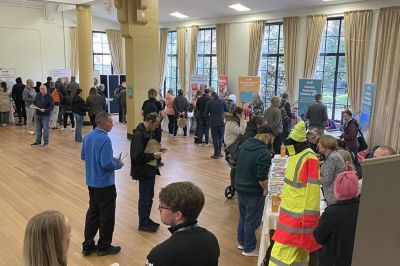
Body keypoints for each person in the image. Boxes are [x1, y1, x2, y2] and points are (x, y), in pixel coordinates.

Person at [270, 121, 321, 266]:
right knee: (299, 255)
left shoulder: (309, 158)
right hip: (290, 215)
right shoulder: (297, 156)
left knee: (280, 255)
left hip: (298, 219)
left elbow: (312, 192)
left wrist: (309, 221)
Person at [146, 182, 220, 266]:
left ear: (178, 215)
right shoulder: (211, 238)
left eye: (162, 206)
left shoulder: (160, 254)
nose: (158, 209)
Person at [81, 112, 124, 256]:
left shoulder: (88, 136)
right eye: (111, 122)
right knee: (107, 215)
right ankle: (104, 246)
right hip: (105, 184)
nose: (112, 124)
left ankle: (88, 245)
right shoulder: (105, 139)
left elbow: (83, 156)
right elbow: (106, 163)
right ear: (103, 123)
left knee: (93, 213)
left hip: (92, 182)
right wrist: (118, 164)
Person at [235, 125, 274, 256]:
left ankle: (241, 242)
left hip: (240, 187)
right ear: (268, 136)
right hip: (253, 191)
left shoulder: (246, 144)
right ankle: (249, 248)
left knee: (244, 216)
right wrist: (265, 189)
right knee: (252, 220)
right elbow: (261, 178)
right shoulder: (264, 152)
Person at [313, 171, 360, 266]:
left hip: (333, 261)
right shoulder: (364, 209)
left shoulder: (331, 213)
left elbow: (319, 237)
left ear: (336, 188)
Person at [130, 112, 162, 232]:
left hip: (150, 169)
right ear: (150, 122)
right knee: (144, 198)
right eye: (156, 124)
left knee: (149, 197)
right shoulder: (138, 135)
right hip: (144, 171)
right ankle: (142, 223)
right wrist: (153, 155)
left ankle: (146, 219)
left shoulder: (147, 132)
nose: (157, 127)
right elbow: (136, 157)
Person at [318, 135, 345, 206]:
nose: (318, 145)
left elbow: (326, 180)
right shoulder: (331, 156)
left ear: (326, 144)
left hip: (333, 195)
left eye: (320, 143)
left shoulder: (333, 158)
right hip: (332, 193)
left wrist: (311, 178)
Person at [204, 92, 228, 158]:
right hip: (221, 122)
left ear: (212, 96)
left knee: (215, 138)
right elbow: (227, 110)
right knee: (220, 138)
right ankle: (219, 153)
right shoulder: (223, 102)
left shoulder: (209, 103)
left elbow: (205, 114)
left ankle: (216, 154)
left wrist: (209, 119)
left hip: (213, 122)